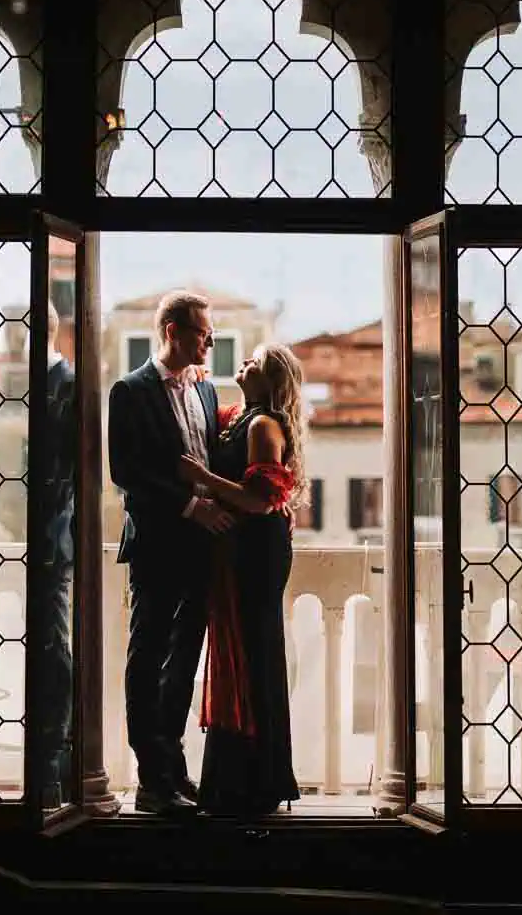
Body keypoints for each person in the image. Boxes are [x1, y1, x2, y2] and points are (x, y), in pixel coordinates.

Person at [107, 290, 233, 816]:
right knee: (148, 657)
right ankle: (151, 782)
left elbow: (208, 459)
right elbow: (125, 473)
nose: (210, 341)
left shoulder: (205, 389)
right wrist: (190, 506)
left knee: (183, 662)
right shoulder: (129, 391)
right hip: (158, 545)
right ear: (172, 332)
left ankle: (173, 769)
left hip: (203, 548)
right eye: (203, 332)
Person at [177, 342, 307, 819]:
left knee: (252, 654)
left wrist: (202, 477)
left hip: (256, 552)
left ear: (270, 381)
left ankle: (254, 782)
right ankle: (239, 781)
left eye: (255, 362)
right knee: (240, 652)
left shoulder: (262, 426)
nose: (245, 363)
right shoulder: (238, 416)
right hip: (240, 548)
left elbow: (259, 501)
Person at [28, 302, 76, 809]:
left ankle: (52, 764)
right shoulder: (22, 384)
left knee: (53, 648)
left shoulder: (69, 384)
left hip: (52, 542)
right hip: (26, 542)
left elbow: (77, 474)